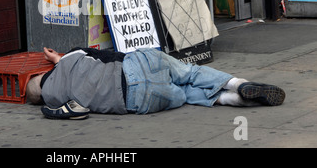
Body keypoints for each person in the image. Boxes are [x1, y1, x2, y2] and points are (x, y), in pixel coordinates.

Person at [26, 47, 285, 120]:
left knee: (182, 92)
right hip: (135, 68)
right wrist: (59, 58)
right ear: (43, 73)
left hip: (140, 101)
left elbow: (73, 112)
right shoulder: (71, 57)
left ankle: (229, 100)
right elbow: (109, 55)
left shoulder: (55, 100)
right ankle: (236, 84)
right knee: (190, 73)